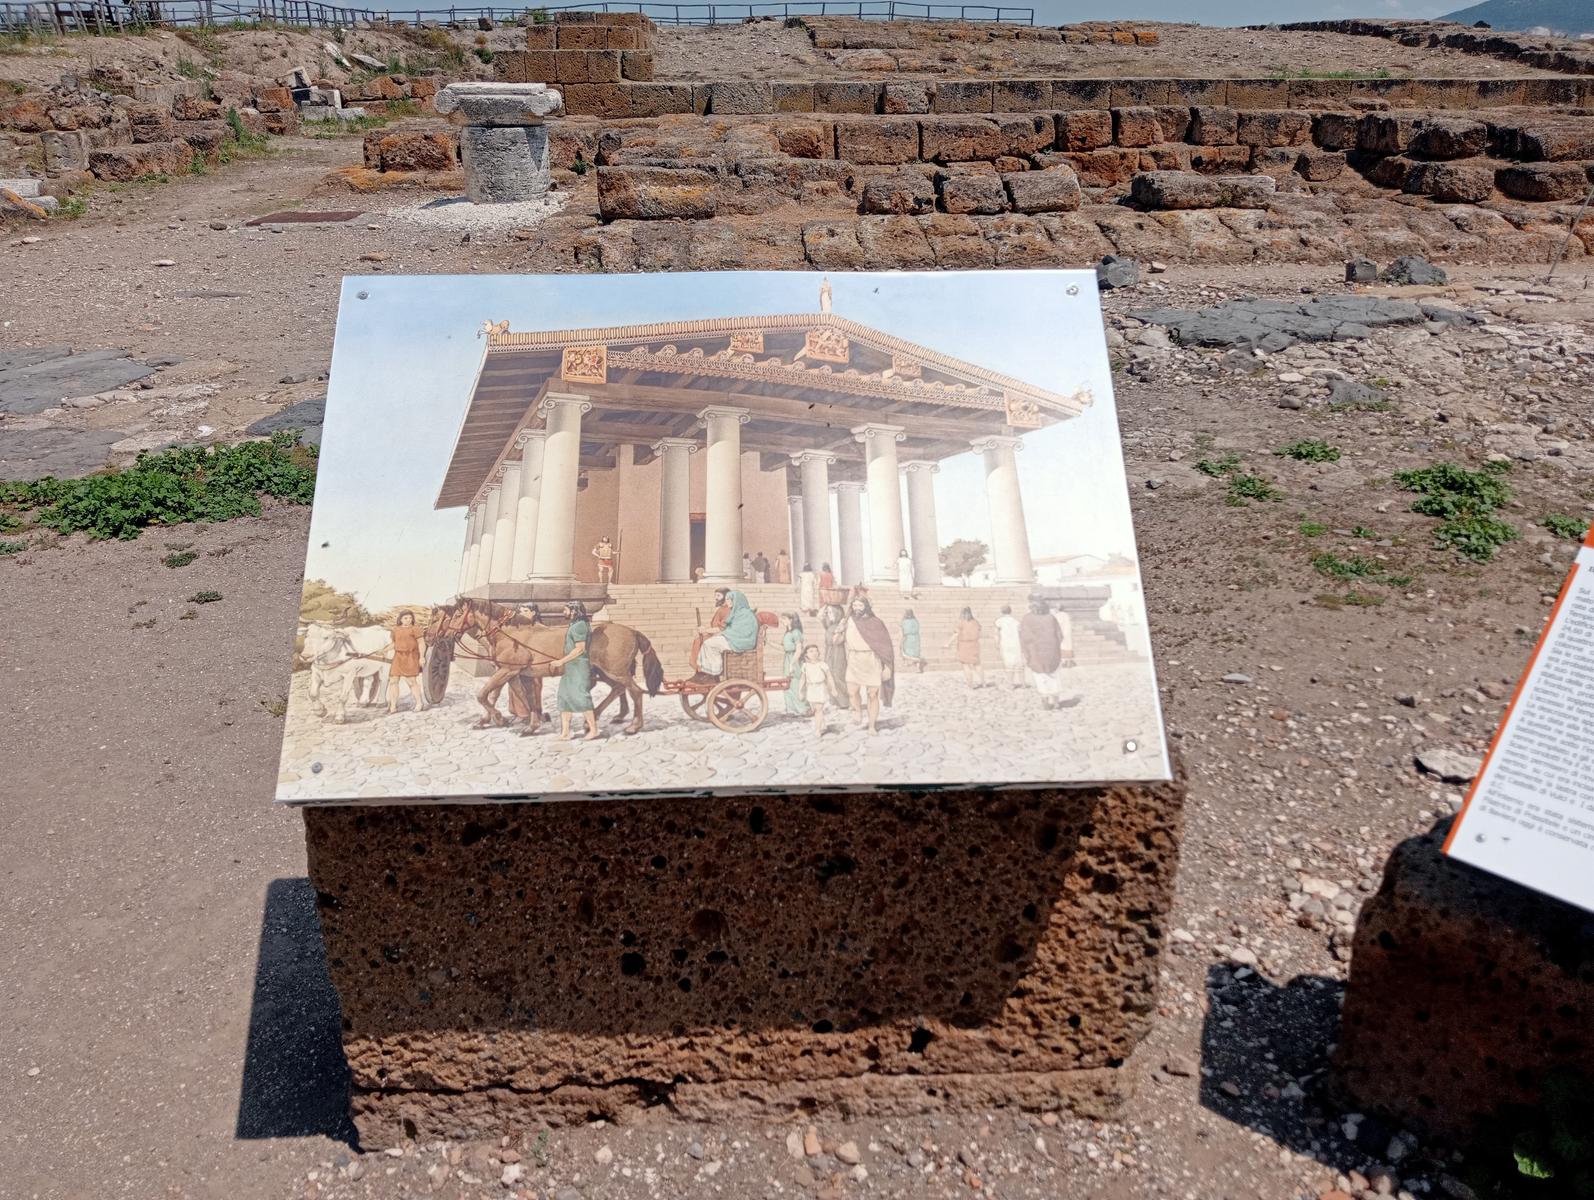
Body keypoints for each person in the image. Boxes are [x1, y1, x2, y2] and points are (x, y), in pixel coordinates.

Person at [843, 595, 895, 734]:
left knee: (872, 695)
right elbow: (839, 639)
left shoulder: (876, 622)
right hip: (854, 659)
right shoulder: (848, 621)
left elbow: (885, 646)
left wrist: (887, 667)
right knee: (852, 692)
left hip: (871, 660)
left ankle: (872, 726)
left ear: (866, 606)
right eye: (854, 605)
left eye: (860, 605)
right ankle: (858, 710)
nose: (856, 608)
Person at [552, 601, 598, 740]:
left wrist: (561, 661)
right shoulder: (574, 624)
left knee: (581, 697)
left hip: (579, 666)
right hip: (571, 667)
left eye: (565, 610)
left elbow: (580, 649)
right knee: (564, 697)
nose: (563, 613)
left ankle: (594, 730)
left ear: (574, 611)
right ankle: (566, 732)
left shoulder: (580, 626)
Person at [695, 588, 758, 679]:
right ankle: (709, 671)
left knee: (709, 644)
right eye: (727, 599)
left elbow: (741, 632)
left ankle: (715, 672)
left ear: (736, 601)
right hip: (735, 639)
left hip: (742, 642)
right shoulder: (737, 612)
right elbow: (730, 629)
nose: (727, 601)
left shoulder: (745, 614)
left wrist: (722, 634)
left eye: (729, 599)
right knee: (708, 643)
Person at [1019, 596, 1066, 709]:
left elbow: (1024, 637)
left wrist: (1026, 651)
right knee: (1054, 676)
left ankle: (1045, 701)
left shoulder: (1027, 619)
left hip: (1035, 652)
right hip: (1052, 652)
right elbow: (1060, 635)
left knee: (1040, 677)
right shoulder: (1051, 618)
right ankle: (1056, 702)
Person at [387, 610, 428, 714]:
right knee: (393, 681)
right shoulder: (395, 630)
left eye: (410, 618)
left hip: (411, 657)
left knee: (411, 682)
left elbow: (421, 643)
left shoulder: (415, 629)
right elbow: (394, 644)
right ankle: (393, 705)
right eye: (406, 618)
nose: (408, 620)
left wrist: (422, 657)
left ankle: (419, 703)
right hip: (398, 657)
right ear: (400, 619)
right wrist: (383, 650)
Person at [945, 606, 985, 689]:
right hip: (974, 644)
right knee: (977, 664)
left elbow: (956, 634)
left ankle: (970, 684)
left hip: (964, 645)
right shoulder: (975, 622)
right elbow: (979, 633)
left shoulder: (961, 623)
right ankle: (983, 682)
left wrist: (948, 643)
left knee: (966, 665)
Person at [800, 644, 835, 738]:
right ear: (806, 654)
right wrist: (800, 691)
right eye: (811, 651)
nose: (814, 653)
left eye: (816, 651)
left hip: (820, 688)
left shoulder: (822, 664)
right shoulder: (805, 666)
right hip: (811, 689)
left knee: (818, 710)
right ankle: (822, 723)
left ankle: (818, 730)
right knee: (815, 709)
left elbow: (829, 677)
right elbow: (802, 679)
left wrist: (833, 688)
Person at [780, 613, 810, 717]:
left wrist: (792, 664)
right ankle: (791, 710)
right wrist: (768, 642)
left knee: (796, 684)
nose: (782, 621)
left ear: (791, 619)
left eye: (784, 619)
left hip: (795, 660)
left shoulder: (796, 632)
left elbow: (799, 650)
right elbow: (783, 648)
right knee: (787, 685)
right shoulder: (787, 633)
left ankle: (803, 709)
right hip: (787, 659)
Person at [821, 602, 849, 705]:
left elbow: (837, 641)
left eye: (831, 612)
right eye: (828, 613)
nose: (828, 615)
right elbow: (820, 616)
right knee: (829, 675)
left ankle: (844, 701)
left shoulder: (842, 626)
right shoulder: (829, 625)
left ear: (838, 613)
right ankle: (834, 700)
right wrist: (825, 607)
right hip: (829, 652)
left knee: (838, 675)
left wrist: (839, 631)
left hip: (838, 653)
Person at [995, 604, 1023, 688]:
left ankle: (1010, 683)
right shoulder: (1016, 621)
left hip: (1006, 643)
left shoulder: (999, 621)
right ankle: (1023, 683)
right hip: (1016, 643)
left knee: (1008, 663)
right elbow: (1020, 633)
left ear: (1001, 612)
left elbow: (996, 633)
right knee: (1018, 663)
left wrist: (997, 643)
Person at [900, 608, 924, 674]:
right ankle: (917, 667)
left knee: (906, 651)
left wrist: (903, 638)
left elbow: (904, 631)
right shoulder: (915, 621)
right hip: (915, 638)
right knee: (915, 653)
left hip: (909, 638)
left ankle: (910, 664)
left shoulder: (905, 621)